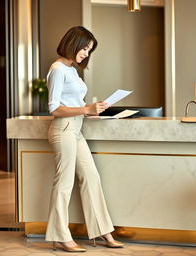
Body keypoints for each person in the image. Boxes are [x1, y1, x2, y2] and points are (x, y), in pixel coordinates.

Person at [45, 26, 124, 252]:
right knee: (64, 183)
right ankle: (60, 236)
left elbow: (77, 105)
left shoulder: (72, 70)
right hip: (63, 129)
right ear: (73, 43)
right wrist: (85, 109)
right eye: (85, 48)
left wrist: (93, 109)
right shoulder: (58, 69)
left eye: (89, 50)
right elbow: (54, 108)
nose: (86, 54)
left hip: (76, 130)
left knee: (91, 177)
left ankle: (103, 232)